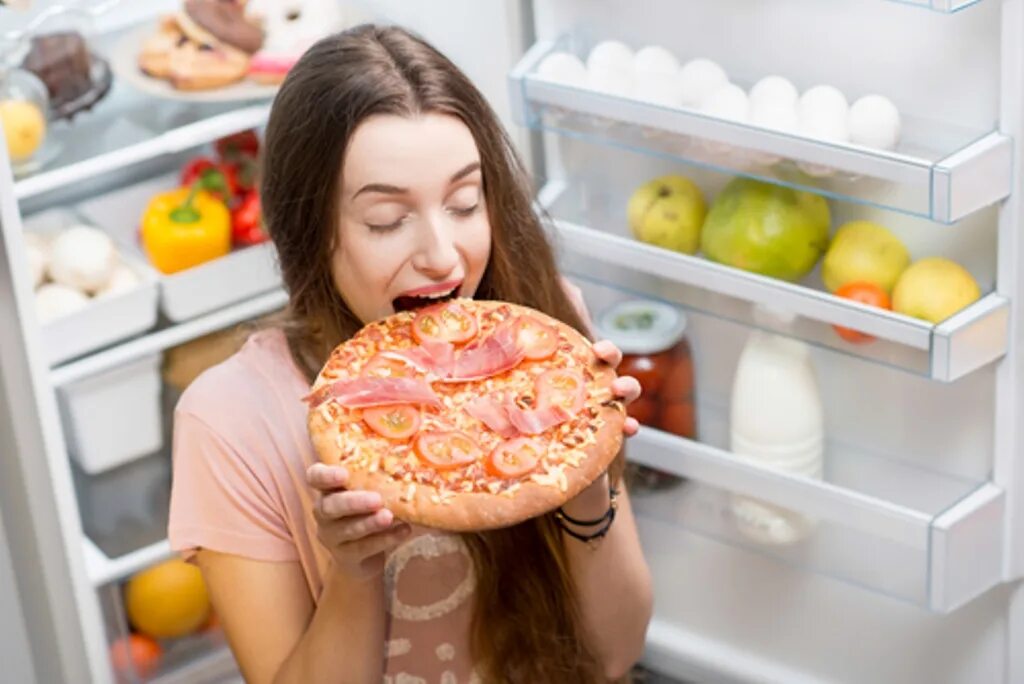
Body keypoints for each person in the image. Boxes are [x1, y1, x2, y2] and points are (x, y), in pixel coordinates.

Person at [168, 24, 653, 684]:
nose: (442, 256)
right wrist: (354, 570)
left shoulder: (542, 339)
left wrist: (587, 484)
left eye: (463, 202)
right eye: (386, 221)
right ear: (308, 233)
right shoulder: (229, 419)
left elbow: (613, 653)